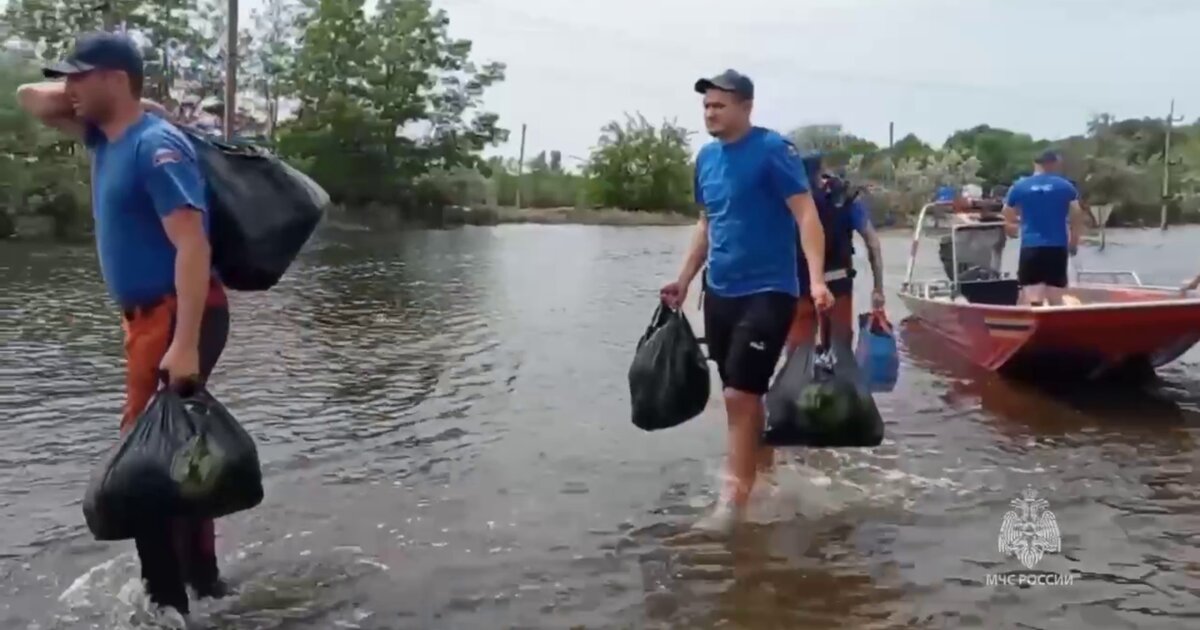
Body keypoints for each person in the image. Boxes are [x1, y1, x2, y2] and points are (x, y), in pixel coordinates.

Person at [16, 31, 231, 617]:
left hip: (178, 315)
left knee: (145, 466)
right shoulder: (103, 136)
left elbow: (193, 247)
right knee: (179, 451)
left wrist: (184, 344)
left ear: (113, 78)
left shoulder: (156, 146)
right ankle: (203, 583)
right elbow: (26, 95)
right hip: (149, 321)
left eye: (79, 76)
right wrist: (116, 98)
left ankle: (167, 607)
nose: (68, 89)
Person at [659, 69, 832, 534]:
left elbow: (806, 214)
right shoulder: (706, 159)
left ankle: (732, 500)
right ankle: (765, 472)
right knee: (737, 388)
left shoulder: (773, 150)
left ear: (746, 107)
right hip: (721, 291)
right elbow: (707, 223)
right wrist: (684, 279)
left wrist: (815, 280)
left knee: (739, 395)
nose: (710, 113)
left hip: (769, 290)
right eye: (706, 106)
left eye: (719, 105)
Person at [785, 158, 885, 354]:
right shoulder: (845, 198)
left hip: (801, 287)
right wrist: (878, 288)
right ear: (820, 170)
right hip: (838, 286)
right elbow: (873, 242)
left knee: (796, 358)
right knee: (841, 353)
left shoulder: (788, 199)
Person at [1001, 150, 1087, 306]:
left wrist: (1011, 226)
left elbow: (1007, 211)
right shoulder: (1066, 186)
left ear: (1035, 163)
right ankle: (1056, 324)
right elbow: (1077, 215)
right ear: (1052, 164)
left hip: (1031, 247)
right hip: (1057, 246)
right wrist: (1073, 242)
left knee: (1033, 297)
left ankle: (1037, 322)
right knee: (1056, 298)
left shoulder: (1019, 187)